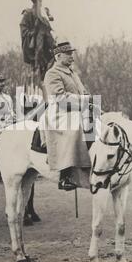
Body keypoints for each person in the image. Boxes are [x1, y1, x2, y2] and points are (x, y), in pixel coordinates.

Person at [42, 41, 94, 191]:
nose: (72, 57)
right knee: (75, 126)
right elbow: (60, 98)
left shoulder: (72, 73)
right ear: (58, 56)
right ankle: (65, 175)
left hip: (76, 107)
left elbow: (82, 92)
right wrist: (84, 101)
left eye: (72, 53)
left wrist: (89, 101)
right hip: (59, 111)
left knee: (99, 121)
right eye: (68, 54)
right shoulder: (52, 73)